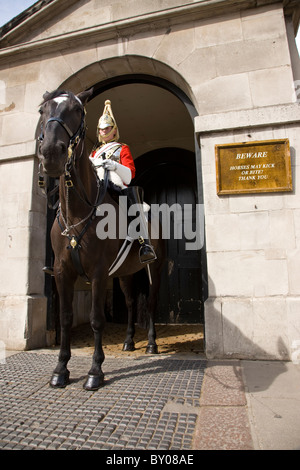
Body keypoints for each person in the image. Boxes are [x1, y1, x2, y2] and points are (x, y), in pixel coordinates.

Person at [89, 100, 156, 264]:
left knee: (132, 200)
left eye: (107, 128)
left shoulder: (122, 148)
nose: (104, 131)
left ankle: (144, 244)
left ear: (114, 130)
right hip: (97, 184)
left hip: (116, 185)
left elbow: (129, 176)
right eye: (101, 129)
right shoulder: (95, 152)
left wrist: (114, 165)